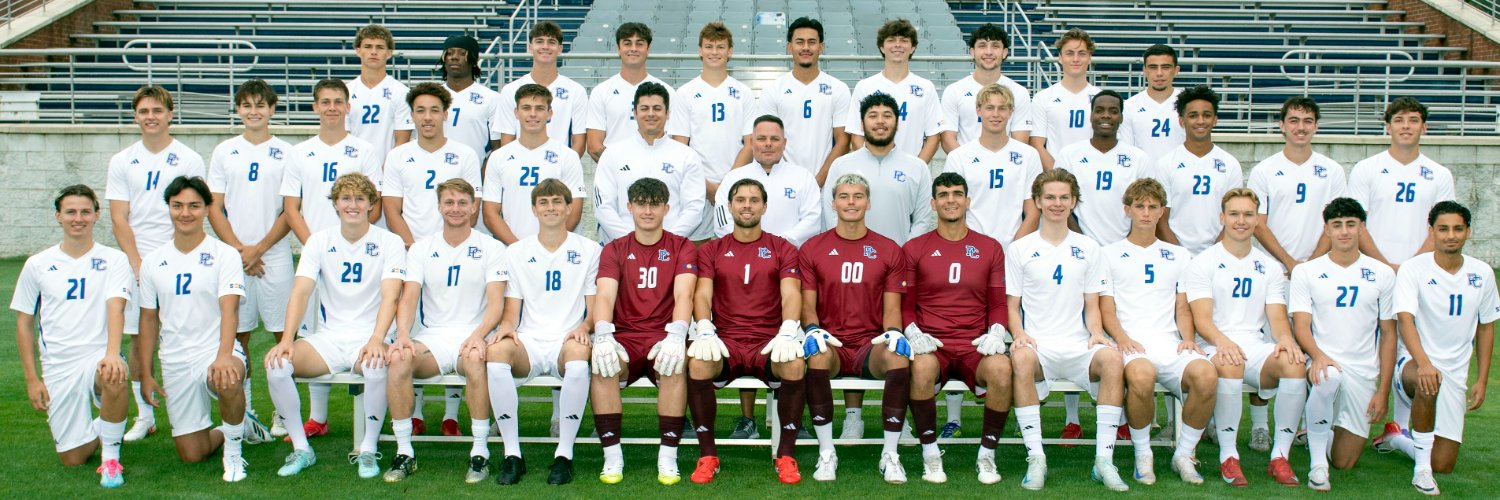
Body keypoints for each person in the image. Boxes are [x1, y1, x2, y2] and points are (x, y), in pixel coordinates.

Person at [262, 172, 406, 479]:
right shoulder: (319, 241)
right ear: (335, 204)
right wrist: (287, 338)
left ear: (371, 204)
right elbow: (300, 291)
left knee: (377, 363)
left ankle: (368, 449)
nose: (352, 205)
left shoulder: (389, 242)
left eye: (359, 199)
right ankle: (302, 449)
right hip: (328, 338)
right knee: (276, 363)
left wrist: (377, 338)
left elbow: (390, 296)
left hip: (368, 337)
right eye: (345, 198)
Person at [135, 176, 269, 481]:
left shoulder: (223, 255)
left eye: (194, 206)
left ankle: (234, 455)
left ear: (208, 209)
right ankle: (236, 425)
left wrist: (224, 355)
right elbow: (148, 319)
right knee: (192, 455)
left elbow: (230, 308)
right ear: (168, 208)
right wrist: (145, 373)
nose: (185, 213)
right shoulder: (154, 261)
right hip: (176, 358)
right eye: (178, 205)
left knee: (227, 376)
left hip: (216, 348)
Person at [1005, 168, 1128, 491]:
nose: (1057, 204)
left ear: (1074, 201)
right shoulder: (1019, 248)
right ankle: (1036, 458)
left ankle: (1104, 460)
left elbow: (1092, 305)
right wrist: (1018, 333)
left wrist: (1097, 333)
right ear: (1037, 202)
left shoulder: (1089, 248)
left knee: (1113, 360)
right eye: (1050, 197)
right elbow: (1012, 305)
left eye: (1063, 197)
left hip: (1077, 344)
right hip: (1039, 343)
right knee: (1019, 360)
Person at [278, 78, 384, 440]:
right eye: (325, 101)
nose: (332, 107)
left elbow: (374, 200)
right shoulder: (300, 151)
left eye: (339, 101)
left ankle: (371, 426)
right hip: (319, 248)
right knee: (312, 330)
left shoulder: (363, 150)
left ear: (348, 106)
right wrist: (318, 248)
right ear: (315, 107)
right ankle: (317, 416)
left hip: (354, 248)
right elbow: (291, 207)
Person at [380, 179, 506, 483]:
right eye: (449, 202)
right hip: (433, 337)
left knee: (476, 360)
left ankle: (480, 452)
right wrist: (403, 334)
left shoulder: (492, 247)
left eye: (463, 202)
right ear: (439, 207)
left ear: (474, 206)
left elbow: (496, 304)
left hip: (473, 334)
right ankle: (404, 452)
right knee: (398, 359)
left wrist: (479, 335)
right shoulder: (422, 248)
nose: (456, 209)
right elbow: (408, 297)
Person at [685, 177, 809, 485]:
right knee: (699, 364)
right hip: (726, 339)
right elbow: (701, 294)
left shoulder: (781, 247)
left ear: (765, 207)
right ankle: (707, 455)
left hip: (768, 340)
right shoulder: (712, 249)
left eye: (754, 200)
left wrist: (789, 328)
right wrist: (703, 327)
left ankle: (785, 456)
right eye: (741, 200)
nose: (747, 206)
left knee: (794, 364)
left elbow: (792, 293)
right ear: (729, 206)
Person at [1184, 187, 1307, 487]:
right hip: (1214, 345)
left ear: (1256, 220)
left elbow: (1277, 318)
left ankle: (1280, 456)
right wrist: (1224, 342)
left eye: (1248, 214)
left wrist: (1286, 340)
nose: (1241, 220)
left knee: (1294, 365)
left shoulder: (1269, 267)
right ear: (1222, 218)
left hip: (1254, 345)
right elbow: (1201, 321)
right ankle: (1229, 456)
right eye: (1235, 214)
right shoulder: (1204, 262)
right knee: (1231, 362)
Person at [12, 185, 133, 487]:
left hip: (97, 355)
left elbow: (116, 307)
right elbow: (25, 322)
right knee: (73, 457)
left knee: (114, 373)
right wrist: (32, 378)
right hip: (58, 365)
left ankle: (110, 459)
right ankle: (104, 424)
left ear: (96, 215)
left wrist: (112, 353)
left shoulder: (114, 260)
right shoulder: (37, 264)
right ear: (58, 216)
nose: (78, 218)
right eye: (70, 212)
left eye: (85, 212)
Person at [1099, 177, 1216, 485]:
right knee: (1140, 376)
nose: (1146, 213)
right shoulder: (1108, 254)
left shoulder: (1179, 255)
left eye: (1153, 207)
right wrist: (1122, 339)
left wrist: (1188, 338)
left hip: (1168, 342)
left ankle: (1184, 453)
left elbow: (1182, 308)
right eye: (1140, 206)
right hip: (1129, 343)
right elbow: (1106, 310)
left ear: (1163, 211)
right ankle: (1143, 454)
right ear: (1127, 209)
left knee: (1205, 375)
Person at [106, 84, 206, 442]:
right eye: (144, 111)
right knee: (139, 338)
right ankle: (144, 415)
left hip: (180, 259)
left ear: (169, 114)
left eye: (157, 111)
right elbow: (119, 217)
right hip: (140, 260)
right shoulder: (122, 160)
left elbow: (193, 212)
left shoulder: (189, 158)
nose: (151, 117)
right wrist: (136, 261)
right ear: (136, 116)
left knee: (192, 329)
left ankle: (207, 406)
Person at [1375, 201, 1496, 495]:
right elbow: (1405, 320)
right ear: (1431, 231)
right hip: (1412, 365)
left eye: (1457, 228)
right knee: (1428, 381)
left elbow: (1486, 326)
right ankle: (1422, 473)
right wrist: (1425, 362)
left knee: (1445, 462)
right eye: (1443, 229)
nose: (1450, 235)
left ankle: (1397, 439)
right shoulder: (1413, 269)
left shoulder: (1482, 273)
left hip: (1454, 373)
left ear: (1468, 231)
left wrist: (1480, 379)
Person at [484, 178, 600, 485]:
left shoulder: (588, 249)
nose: (551, 208)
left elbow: (593, 307)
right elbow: (512, 311)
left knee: (578, 358)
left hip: (567, 338)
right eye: (544, 203)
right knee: (495, 354)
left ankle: (564, 455)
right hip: (531, 339)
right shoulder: (517, 252)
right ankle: (512, 455)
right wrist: (506, 329)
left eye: (557, 202)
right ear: (534, 209)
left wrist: (584, 327)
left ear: (568, 207)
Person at [902, 172, 1013, 484]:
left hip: (974, 343)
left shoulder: (990, 247)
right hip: (932, 343)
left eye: (957, 193)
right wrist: (913, 332)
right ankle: (930, 453)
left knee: (1003, 370)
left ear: (968, 200)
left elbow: (998, 302)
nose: (950, 199)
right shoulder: (914, 247)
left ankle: (987, 455)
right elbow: (906, 304)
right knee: (921, 369)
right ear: (933, 203)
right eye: (944, 194)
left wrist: (996, 332)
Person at [800, 173, 912, 484]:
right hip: (832, 341)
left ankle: (890, 454)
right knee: (818, 357)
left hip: (869, 344)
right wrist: (811, 329)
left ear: (868, 202)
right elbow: (807, 303)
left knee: (898, 357)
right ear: (833, 203)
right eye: (845, 196)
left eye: (858, 196)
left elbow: (892, 310)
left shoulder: (889, 249)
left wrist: (893, 333)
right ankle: (827, 452)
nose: (851, 202)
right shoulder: (813, 248)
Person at [591, 178, 698, 485]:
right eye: (641, 203)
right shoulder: (614, 248)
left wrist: (677, 334)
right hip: (625, 337)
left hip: (663, 336)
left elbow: (684, 296)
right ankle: (612, 457)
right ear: (629, 207)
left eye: (654, 204)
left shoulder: (682, 247)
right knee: (603, 367)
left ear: (667, 208)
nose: (647, 211)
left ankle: (668, 456)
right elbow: (605, 296)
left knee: (675, 365)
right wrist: (603, 334)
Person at [1287, 197, 1396, 491]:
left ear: (1362, 227)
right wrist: (1318, 356)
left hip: (1362, 370)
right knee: (1328, 377)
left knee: (1345, 461)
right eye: (1337, 225)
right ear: (1327, 230)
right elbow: (1300, 325)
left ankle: (1317, 427)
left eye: (1351, 224)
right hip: (1323, 360)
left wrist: (1383, 390)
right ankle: (1317, 466)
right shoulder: (1306, 271)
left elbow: (1388, 333)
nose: (1344, 231)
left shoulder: (1383, 274)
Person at [205, 79, 294, 426]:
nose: (254, 111)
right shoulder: (225, 151)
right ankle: (247, 409)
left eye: (261, 104)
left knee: (282, 334)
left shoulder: (288, 152)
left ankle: (283, 412)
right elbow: (215, 206)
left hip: (273, 253)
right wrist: (241, 250)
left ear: (272, 109)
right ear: (238, 110)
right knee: (237, 335)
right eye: (246, 105)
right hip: (234, 255)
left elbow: (291, 208)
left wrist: (259, 248)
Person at [736, 16, 850, 184]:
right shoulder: (773, 90)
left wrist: (817, 181)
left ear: (821, 47)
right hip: (781, 181)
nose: (805, 47)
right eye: (800, 42)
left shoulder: (838, 89)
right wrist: (789, 178)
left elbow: (843, 141)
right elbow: (768, 139)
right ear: (790, 47)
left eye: (811, 42)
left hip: (824, 183)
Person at [1347, 97, 1456, 271]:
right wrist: (1384, 266)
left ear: (1424, 127)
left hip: (1422, 270)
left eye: (1413, 120)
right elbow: (1355, 223)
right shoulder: (1365, 169)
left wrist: (1411, 268)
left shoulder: (1440, 174)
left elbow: (1442, 226)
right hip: (1373, 268)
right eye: (1399, 120)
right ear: (1388, 127)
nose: (1406, 126)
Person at [593, 82, 706, 242]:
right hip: (623, 247)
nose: (651, 114)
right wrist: (631, 241)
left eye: (657, 108)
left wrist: (666, 242)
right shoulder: (612, 154)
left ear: (668, 113)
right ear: (635, 112)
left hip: (669, 250)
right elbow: (602, 207)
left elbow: (694, 209)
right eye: (644, 108)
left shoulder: (687, 156)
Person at [673, 22, 755, 241]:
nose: (714, 52)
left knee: (734, 250)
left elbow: (750, 144)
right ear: (700, 50)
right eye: (709, 46)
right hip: (697, 185)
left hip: (735, 187)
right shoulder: (685, 93)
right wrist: (706, 185)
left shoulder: (743, 93)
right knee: (696, 250)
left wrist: (727, 185)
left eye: (720, 47)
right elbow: (680, 146)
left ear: (730, 51)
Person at [1249, 97, 1347, 273]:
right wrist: (1289, 262)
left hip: (1321, 269)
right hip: (1274, 269)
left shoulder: (1333, 170)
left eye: (1308, 121)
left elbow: (1337, 222)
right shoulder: (1263, 171)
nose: (1301, 127)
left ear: (1316, 126)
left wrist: (1311, 264)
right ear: (1282, 125)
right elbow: (1257, 223)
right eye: (1294, 121)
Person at [382, 82, 485, 249]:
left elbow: (472, 211)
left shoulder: (466, 155)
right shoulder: (397, 156)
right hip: (411, 249)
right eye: (421, 110)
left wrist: (446, 247)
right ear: (412, 115)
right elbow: (391, 212)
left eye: (434, 110)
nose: (427, 117)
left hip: (454, 248)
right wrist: (414, 248)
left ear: (445, 114)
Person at [823, 93, 933, 244]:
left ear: (897, 123)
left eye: (887, 116)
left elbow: (922, 220)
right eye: (873, 116)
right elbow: (831, 213)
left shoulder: (918, 167)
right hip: (851, 256)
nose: (880, 121)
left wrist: (904, 254)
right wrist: (846, 247)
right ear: (862, 124)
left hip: (898, 260)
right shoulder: (841, 165)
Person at [483, 83, 587, 244]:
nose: (533, 114)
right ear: (516, 113)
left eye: (539, 108)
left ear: (549, 113)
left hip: (556, 249)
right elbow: (490, 213)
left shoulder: (567, 156)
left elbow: (574, 210)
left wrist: (549, 246)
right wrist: (519, 249)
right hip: (512, 250)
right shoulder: (498, 157)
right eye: (526, 108)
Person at [1149, 85, 1243, 254]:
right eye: (1193, 115)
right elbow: (1160, 219)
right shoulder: (1166, 164)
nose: (1200, 121)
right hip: (1176, 255)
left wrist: (1211, 256)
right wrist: (1181, 256)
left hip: (1218, 255)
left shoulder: (1230, 164)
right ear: (1181, 121)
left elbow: (1235, 217)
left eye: (1206, 115)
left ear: (1215, 119)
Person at [943, 84, 1042, 246]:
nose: (996, 114)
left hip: (1015, 248)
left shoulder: (1029, 155)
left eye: (1002, 108)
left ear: (1011, 112)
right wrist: (979, 249)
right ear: (978, 111)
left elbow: (1033, 212)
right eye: (989, 108)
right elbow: (952, 210)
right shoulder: (959, 157)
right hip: (972, 249)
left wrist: (1014, 250)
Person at [1055, 89, 1149, 245]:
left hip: (1125, 246)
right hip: (1078, 244)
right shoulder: (1069, 154)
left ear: (1121, 118)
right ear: (1091, 116)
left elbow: (1145, 207)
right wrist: (1083, 242)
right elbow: (1061, 204)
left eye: (1113, 111)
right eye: (1099, 111)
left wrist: (1128, 243)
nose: (1106, 115)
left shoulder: (1138, 158)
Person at [713, 115, 823, 245]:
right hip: (743, 254)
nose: (768, 144)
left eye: (775, 139)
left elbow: (812, 221)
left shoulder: (804, 177)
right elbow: (722, 222)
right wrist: (749, 242)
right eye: (761, 138)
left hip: (789, 256)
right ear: (751, 142)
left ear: (785, 143)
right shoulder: (732, 178)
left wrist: (779, 244)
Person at [843, 18, 943, 162]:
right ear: (882, 47)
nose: (897, 45)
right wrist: (873, 165)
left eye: (904, 40)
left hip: (910, 173)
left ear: (913, 47)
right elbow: (856, 135)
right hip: (873, 171)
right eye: (891, 40)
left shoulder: (926, 87)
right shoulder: (864, 87)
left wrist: (915, 168)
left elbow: (933, 137)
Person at [585, 22, 682, 160]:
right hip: (615, 174)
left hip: (657, 174)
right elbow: (594, 146)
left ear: (648, 48)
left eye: (639, 43)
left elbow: (677, 142)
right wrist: (623, 169)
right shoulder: (601, 91)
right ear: (618, 48)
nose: (633, 48)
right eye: (627, 43)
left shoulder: (667, 91)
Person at [495, 21, 588, 157]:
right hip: (520, 168)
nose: (545, 47)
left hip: (558, 170)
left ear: (560, 49)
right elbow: (507, 139)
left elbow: (579, 141)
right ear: (530, 47)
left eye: (551, 42)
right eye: (539, 41)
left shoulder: (576, 90)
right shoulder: (510, 90)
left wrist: (565, 167)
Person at [940, 23, 1032, 153]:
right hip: (965, 169)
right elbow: (947, 139)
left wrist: (994, 162)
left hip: (1006, 168)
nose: (988, 52)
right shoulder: (954, 91)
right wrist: (972, 164)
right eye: (982, 46)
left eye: (995, 46)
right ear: (972, 51)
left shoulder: (1019, 92)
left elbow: (1020, 141)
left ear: (1004, 52)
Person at [1029, 28, 1101, 169]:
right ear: (1060, 58)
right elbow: (1036, 144)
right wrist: (1059, 176)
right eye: (1069, 53)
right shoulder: (1043, 97)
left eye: (1082, 53)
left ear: (1089, 58)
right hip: (1056, 177)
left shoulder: (1101, 98)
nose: (1075, 59)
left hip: (1092, 172)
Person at [345, 24, 412, 163]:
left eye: (380, 47)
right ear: (358, 51)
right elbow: (344, 138)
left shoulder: (401, 92)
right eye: (368, 46)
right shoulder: (346, 92)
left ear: (389, 53)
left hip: (387, 171)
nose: (373, 52)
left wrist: (386, 171)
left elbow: (402, 142)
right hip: (353, 171)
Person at [438, 35, 501, 158]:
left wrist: (483, 174)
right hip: (436, 171)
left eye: (462, 53)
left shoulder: (492, 98)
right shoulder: (431, 96)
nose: (454, 57)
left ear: (473, 60)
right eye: (449, 53)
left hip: (474, 173)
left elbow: (497, 147)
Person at [1119, 44, 1185, 160]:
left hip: (1179, 176)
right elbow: (1128, 151)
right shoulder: (1129, 106)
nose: (1159, 73)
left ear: (1176, 70)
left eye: (1165, 67)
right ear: (1145, 70)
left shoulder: (1188, 105)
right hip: (1143, 177)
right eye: (1153, 67)